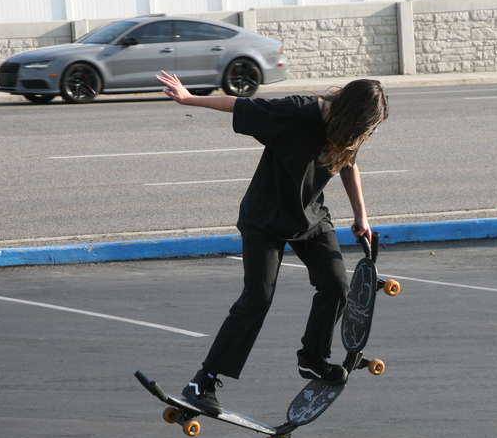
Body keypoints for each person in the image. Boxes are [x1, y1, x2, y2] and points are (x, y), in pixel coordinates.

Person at [155, 70, 389, 413]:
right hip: (264, 219)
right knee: (256, 298)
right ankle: (202, 382)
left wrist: (361, 217)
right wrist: (190, 99)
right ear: (352, 112)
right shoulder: (296, 111)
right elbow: (240, 105)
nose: (370, 133)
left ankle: (312, 358)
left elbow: (349, 164)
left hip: (310, 218)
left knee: (336, 285)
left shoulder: (346, 131)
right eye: (369, 126)